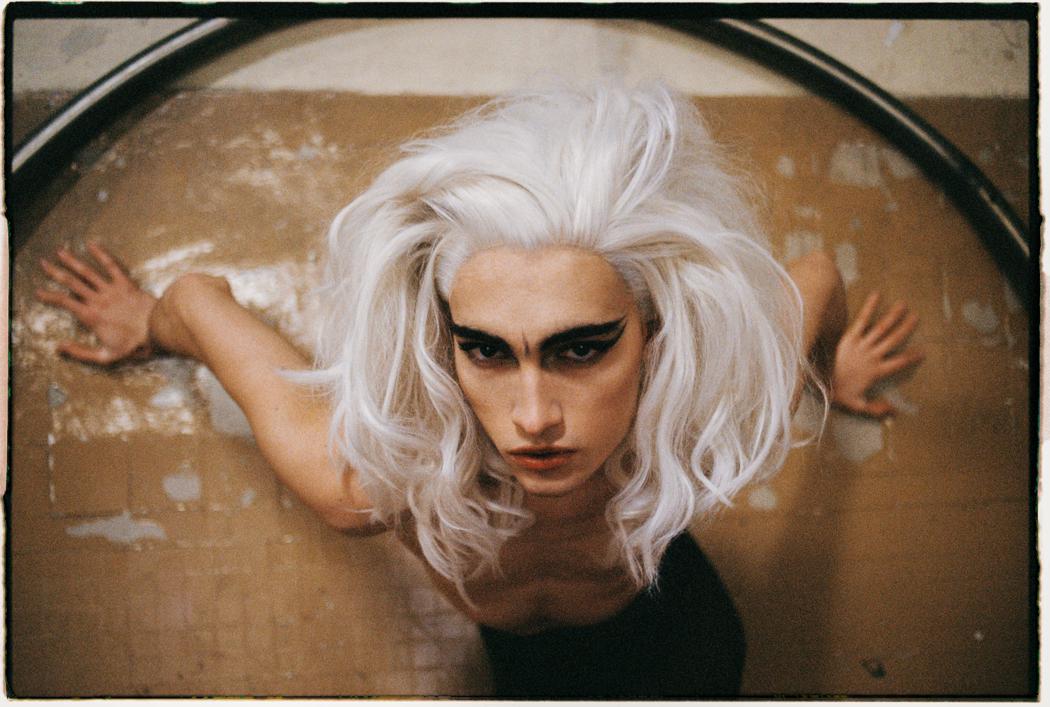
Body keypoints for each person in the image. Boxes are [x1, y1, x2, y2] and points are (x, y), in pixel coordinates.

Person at [35, 81, 923, 697]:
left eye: (582, 348)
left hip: (677, 632)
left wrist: (829, 369)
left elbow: (816, 276)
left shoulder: (715, 413)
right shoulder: (364, 483)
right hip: (517, 663)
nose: (533, 417)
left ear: (652, 331)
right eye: (489, 351)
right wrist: (149, 319)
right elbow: (199, 302)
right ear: (443, 338)